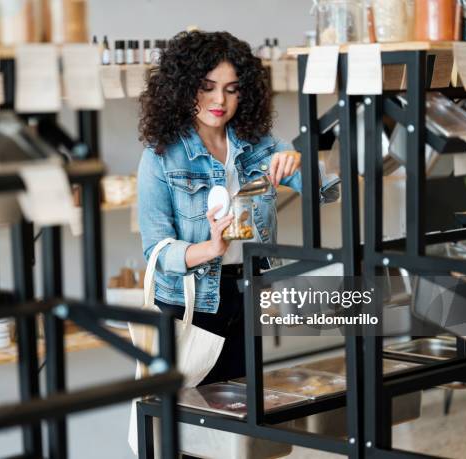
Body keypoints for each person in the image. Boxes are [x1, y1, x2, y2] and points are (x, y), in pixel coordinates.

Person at [137, 30, 337, 385]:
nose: (220, 100)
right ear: (183, 88)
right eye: (208, 87)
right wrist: (210, 249)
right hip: (190, 305)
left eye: (232, 89)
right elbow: (157, 250)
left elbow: (327, 190)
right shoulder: (161, 156)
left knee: (241, 409)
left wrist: (299, 160)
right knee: (184, 418)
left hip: (248, 294)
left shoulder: (259, 145)